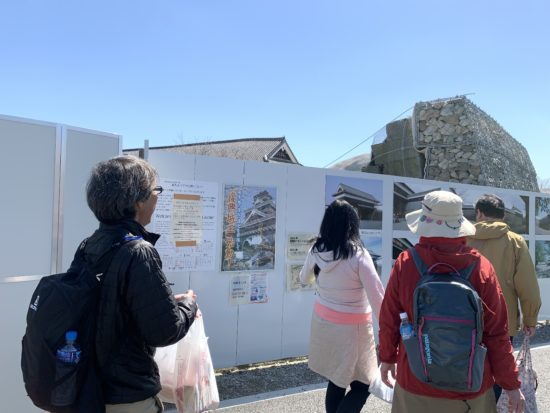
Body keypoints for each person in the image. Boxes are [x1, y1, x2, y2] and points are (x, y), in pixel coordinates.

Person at [378, 190, 525, 413]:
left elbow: (389, 319)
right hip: (471, 388)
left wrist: (387, 358)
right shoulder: (481, 267)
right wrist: (511, 384)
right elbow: (497, 334)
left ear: (424, 223)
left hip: (415, 382)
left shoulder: (405, 263)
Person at [78, 155, 198, 413]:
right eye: (156, 190)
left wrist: (163, 302)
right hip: (126, 394)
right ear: (137, 201)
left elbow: (111, 306)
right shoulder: (139, 251)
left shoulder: (89, 245)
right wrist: (189, 305)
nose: (157, 198)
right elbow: (165, 331)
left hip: (86, 387)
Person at [299, 200, 385, 413]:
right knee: (364, 383)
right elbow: (377, 297)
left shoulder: (317, 249)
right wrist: (390, 331)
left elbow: (304, 279)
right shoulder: (358, 255)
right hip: (354, 330)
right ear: (352, 224)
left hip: (324, 323)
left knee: (337, 378)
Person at [468, 193, 541, 402]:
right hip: (502, 321)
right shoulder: (514, 242)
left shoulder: (463, 239)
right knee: (499, 372)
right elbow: (527, 285)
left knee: (467, 370)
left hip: (465, 320)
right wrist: (530, 319)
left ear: (479, 213)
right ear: (502, 216)